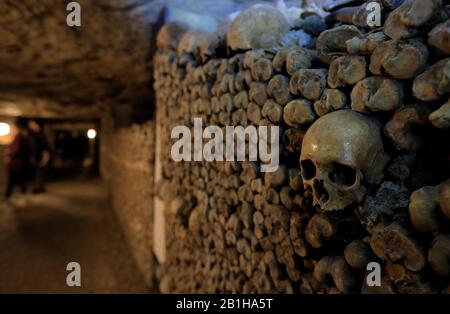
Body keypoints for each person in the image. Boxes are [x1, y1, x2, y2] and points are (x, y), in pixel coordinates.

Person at [4, 118, 32, 199]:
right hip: (20, 163)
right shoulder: (22, 136)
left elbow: (17, 150)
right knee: (21, 179)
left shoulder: (19, 137)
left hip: (17, 163)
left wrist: (9, 155)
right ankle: (22, 194)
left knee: (12, 180)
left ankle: (8, 195)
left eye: (14, 128)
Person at [28, 120, 50, 194]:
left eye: (32, 124)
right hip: (37, 156)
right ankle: (39, 187)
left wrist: (45, 157)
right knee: (38, 172)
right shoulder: (33, 135)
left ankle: (39, 187)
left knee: (40, 172)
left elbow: (44, 147)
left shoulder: (40, 135)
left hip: (41, 156)